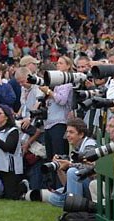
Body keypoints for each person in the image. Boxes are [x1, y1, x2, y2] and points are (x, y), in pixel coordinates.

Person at [25, 118, 97, 207]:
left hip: (94, 185)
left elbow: (89, 167)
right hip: (81, 187)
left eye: (71, 132)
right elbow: (66, 183)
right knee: (53, 197)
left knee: (72, 171)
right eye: (67, 132)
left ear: (81, 134)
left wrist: (69, 164)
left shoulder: (89, 145)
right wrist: (59, 168)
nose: (67, 135)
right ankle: (72, 203)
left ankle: (75, 210)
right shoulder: (75, 148)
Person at [39, 56, 73, 188]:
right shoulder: (54, 82)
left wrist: (48, 91)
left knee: (59, 155)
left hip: (60, 123)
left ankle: (62, 185)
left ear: (68, 66)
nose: (58, 65)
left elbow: (62, 100)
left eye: (61, 63)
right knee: (50, 157)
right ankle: (52, 185)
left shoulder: (67, 83)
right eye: (57, 63)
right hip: (48, 123)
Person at [0, 104, 25, 199]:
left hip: (9, 169)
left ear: (7, 117)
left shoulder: (13, 131)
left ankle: (23, 185)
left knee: (11, 196)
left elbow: (8, 148)